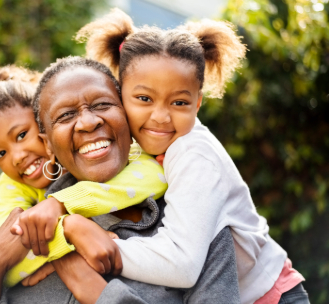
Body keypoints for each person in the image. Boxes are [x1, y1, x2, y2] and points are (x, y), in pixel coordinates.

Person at [75, 8, 309, 304]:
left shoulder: (192, 154)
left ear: (197, 103)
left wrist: (110, 249)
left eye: (179, 102)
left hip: (271, 297)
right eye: (144, 99)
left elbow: (182, 265)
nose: (160, 117)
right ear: (120, 94)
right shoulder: (140, 148)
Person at [0, 56, 241, 304]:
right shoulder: (31, 230)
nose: (87, 122)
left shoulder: (196, 224)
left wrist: (95, 291)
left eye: (103, 104)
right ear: (48, 144)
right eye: (66, 115)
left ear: (128, 116)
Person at [0, 64, 167, 288]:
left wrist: (62, 205)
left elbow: (156, 175)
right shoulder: (12, 184)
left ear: (45, 124)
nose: (16, 157)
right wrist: (67, 237)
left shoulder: (112, 148)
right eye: (0, 153)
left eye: (22, 135)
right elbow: (0, 254)